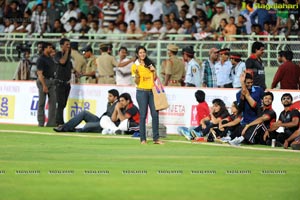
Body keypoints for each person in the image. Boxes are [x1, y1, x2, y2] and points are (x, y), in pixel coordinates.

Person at [131, 45, 164, 144]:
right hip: (141, 91)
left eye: (144, 52)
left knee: (155, 114)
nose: (142, 54)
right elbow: (136, 82)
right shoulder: (135, 66)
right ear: (137, 54)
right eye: (140, 53)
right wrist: (136, 75)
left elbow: (154, 78)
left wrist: (153, 70)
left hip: (152, 91)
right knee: (143, 115)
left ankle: (156, 139)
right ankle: (143, 139)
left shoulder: (150, 63)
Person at [53, 89, 119, 133]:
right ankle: (64, 127)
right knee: (84, 113)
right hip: (100, 120)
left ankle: (73, 130)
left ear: (115, 97)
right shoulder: (109, 103)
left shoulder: (118, 104)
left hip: (106, 124)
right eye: (108, 96)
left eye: (110, 96)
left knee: (87, 126)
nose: (108, 97)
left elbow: (114, 119)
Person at [36, 42, 56, 127]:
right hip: (44, 80)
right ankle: (41, 122)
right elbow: (40, 74)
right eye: (49, 48)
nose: (51, 49)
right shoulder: (41, 59)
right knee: (42, 102)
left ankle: (51, 122)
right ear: (45, 49)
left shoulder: (50, 58)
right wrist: (44, 85)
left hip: (51, 81)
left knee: (53, 102)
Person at [54, 38, 73, 126]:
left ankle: (59, 120)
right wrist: (66, 52)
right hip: (60, 82)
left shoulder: (68, 56)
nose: (69, 46)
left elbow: (69, 66)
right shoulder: (58, 54)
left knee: (63, 104)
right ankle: (59, 122)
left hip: (67, 83)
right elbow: (62, 61)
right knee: (60, 103)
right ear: (62, 46)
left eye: (69, 44)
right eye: (67, 45)